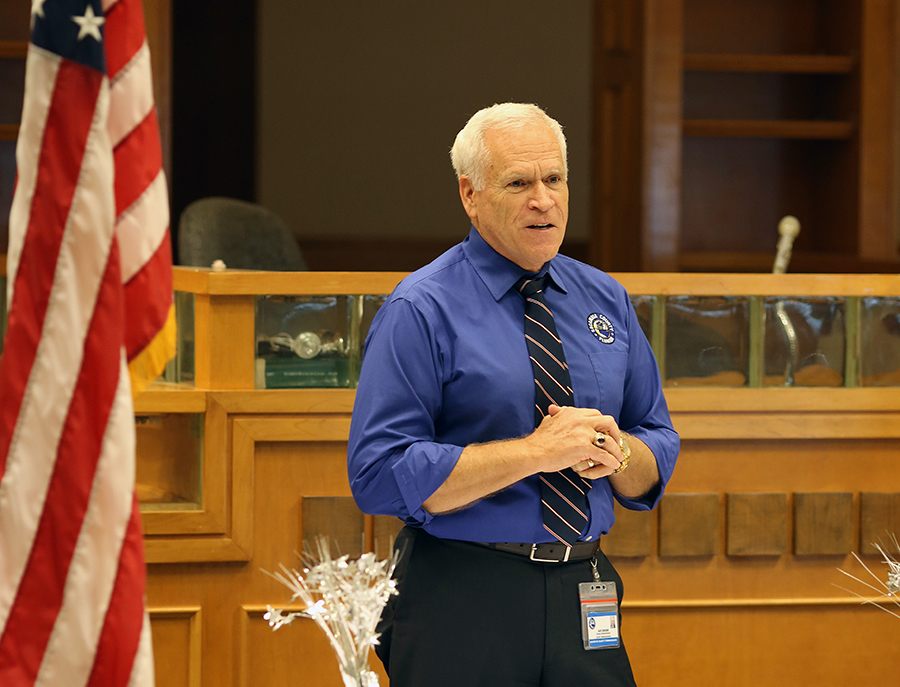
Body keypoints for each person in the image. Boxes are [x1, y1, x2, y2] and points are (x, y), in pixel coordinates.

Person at [347, 102, 679, 686]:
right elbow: (377, 472)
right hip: (463, 593)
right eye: (519, 183)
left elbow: (656, 439)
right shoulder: (419, 308)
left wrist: (619, 453)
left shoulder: (605, 297)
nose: (543, 200)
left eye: (554, 179)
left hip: (584, 587)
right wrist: (535, 453)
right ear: (470, 195)